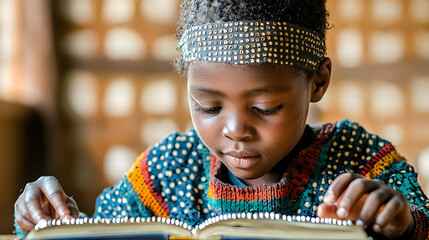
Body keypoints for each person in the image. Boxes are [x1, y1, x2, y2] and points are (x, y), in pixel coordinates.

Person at [14, 0, 429, 239]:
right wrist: (55, 227)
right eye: (209, 107)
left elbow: (420, 225)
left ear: (318, 82)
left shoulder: (360, 161)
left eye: (265, 107)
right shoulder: (167, 170)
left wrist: (404, 225)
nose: (234, 130)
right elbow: (105, 232)